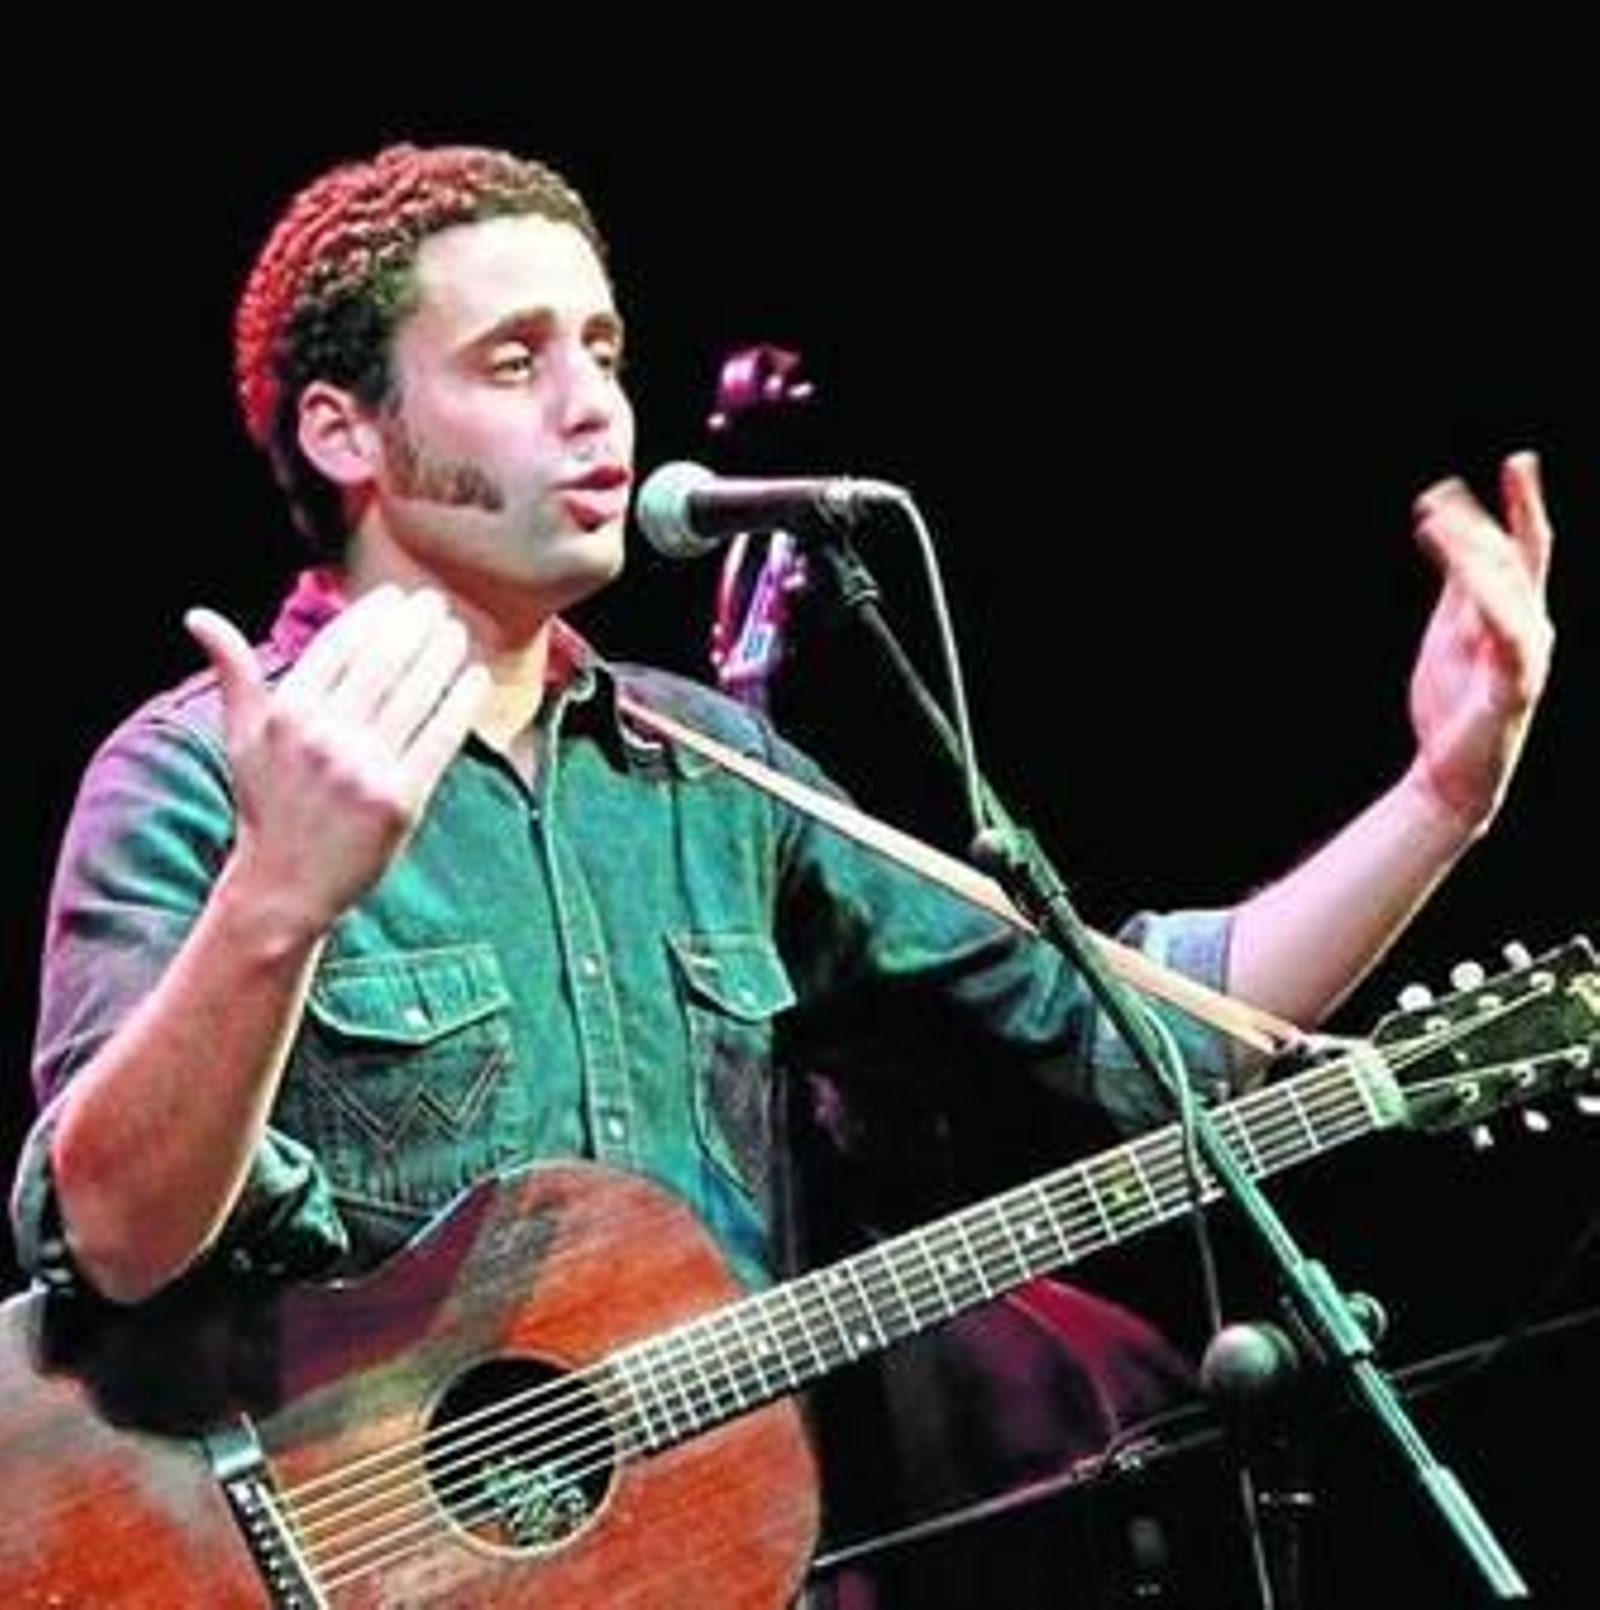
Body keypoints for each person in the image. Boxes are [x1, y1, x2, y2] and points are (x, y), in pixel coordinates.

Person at [5, 141, 1554, 1609]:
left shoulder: (711, 768)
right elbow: (118, 1236)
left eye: (604, 348)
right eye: (514, 361)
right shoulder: (192, 774)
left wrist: (1442, 796)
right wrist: (276, 906)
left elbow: (1136, 1035)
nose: (596, 407)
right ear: (345, 432)